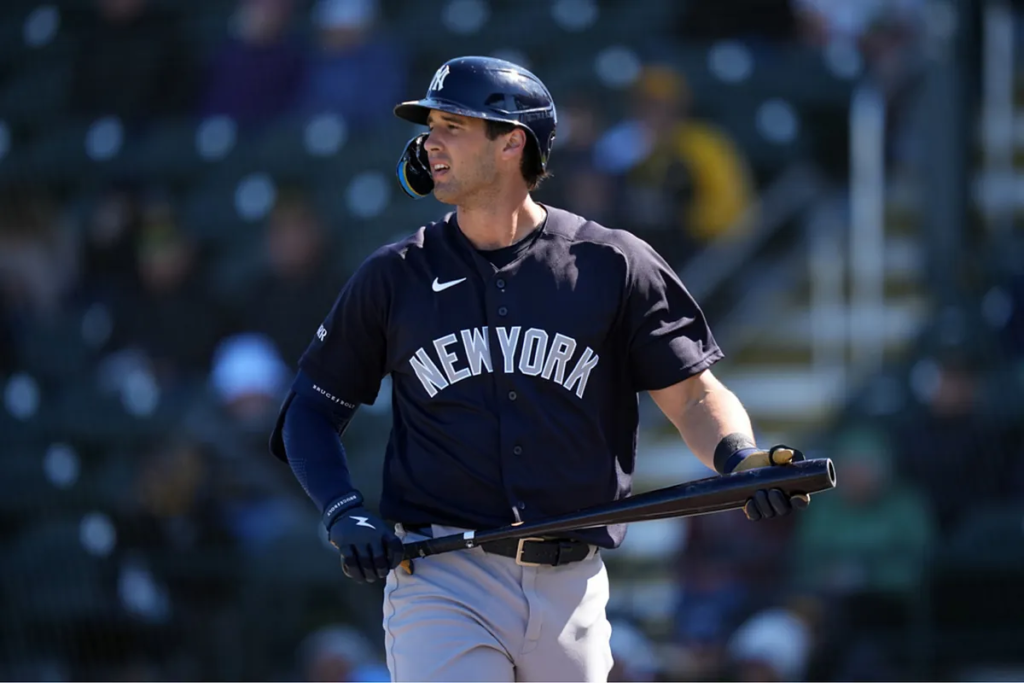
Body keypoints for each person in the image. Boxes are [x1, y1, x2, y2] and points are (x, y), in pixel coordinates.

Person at [269, 56, 810, 683]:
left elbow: (691, 396)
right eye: (430, 128)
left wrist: (738, 460)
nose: (429, 143)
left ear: (511, 143)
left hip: (571, 583)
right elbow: (309, 409)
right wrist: (343, 509)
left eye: (452, 126)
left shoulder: (614, 263)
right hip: (445, 576)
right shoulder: (395, 275)